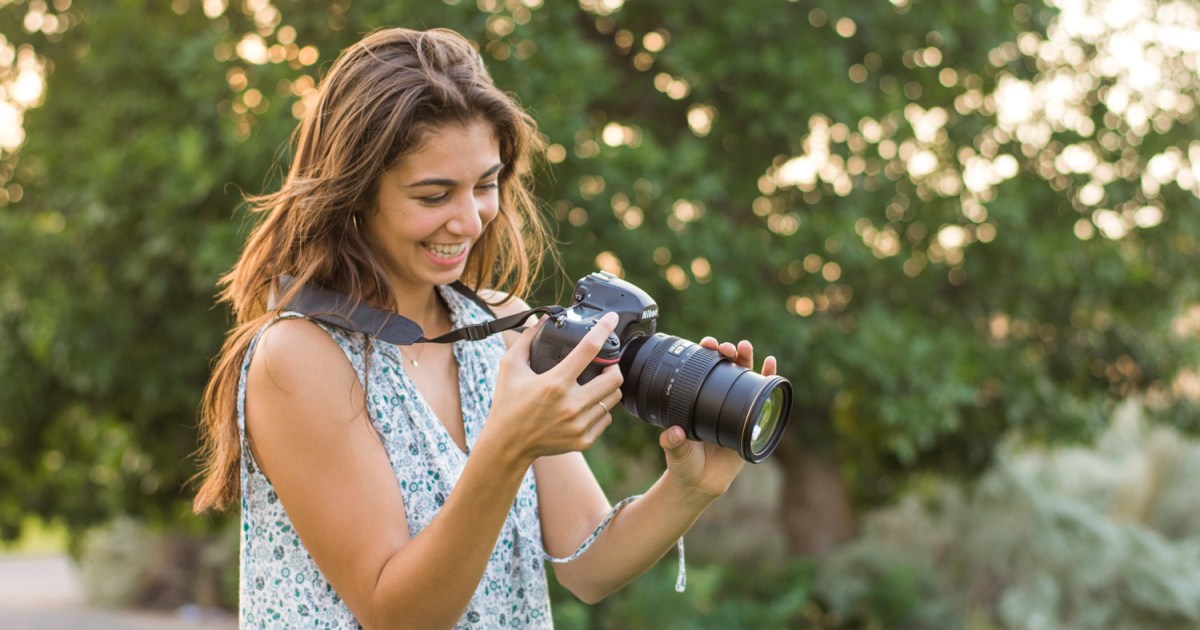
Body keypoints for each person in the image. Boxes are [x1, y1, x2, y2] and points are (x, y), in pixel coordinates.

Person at [191, 26, 778, 629]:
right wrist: (507, 448)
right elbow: (399, 615)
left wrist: (691, 488)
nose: (468, 220)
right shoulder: (300, 356)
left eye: (485, 184)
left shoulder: (499, 325)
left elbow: (587, 564)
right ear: (356, 193)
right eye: (433, 194)